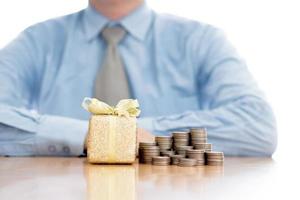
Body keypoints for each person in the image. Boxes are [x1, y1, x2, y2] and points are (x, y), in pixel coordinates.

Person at [0, 0, 277, 157]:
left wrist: (143, 136)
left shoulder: (201, 40)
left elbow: (257, 127)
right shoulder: (37, 41)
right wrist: (90, 136)